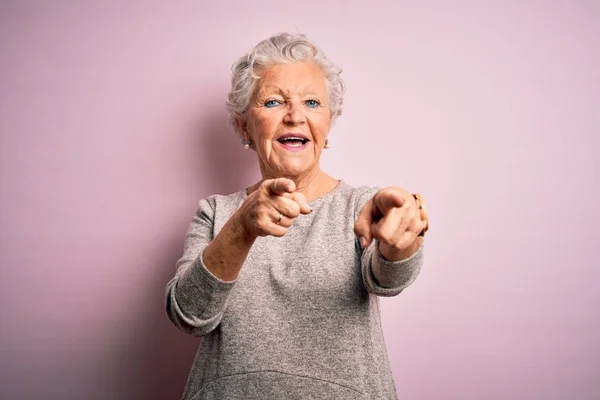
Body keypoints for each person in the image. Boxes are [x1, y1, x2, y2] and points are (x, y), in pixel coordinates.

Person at [165, 32, 429, 400]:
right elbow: (189, 315)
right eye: (273, 102)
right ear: (245, 128)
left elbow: (389, 277)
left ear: (327, 127)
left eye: (311, 102)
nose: (294, 116)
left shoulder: (362, 206)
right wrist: (242, 227)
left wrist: (402, 238)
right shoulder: (216, 213)